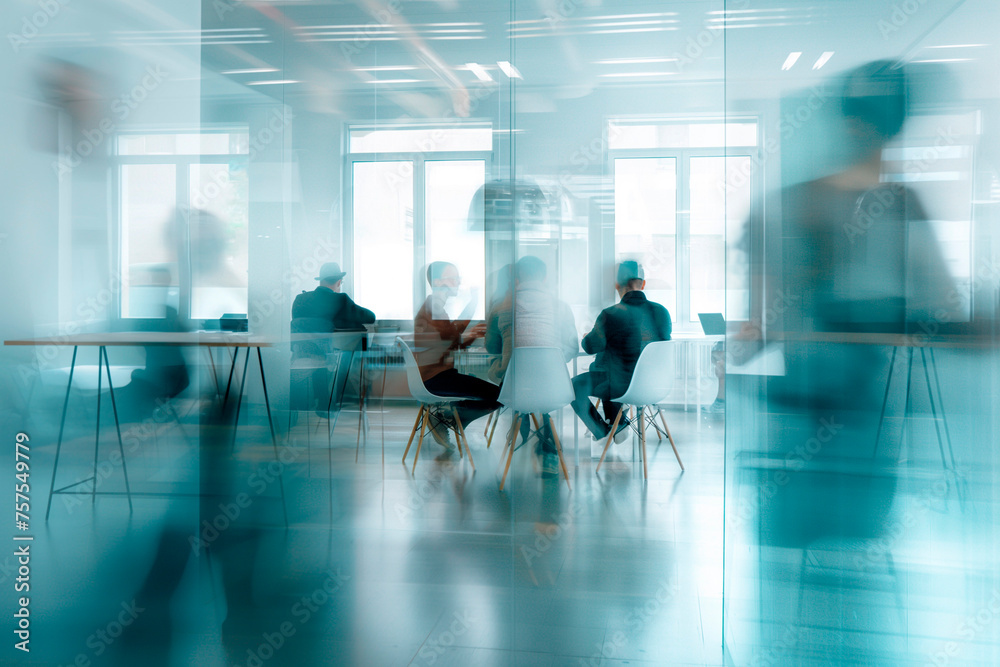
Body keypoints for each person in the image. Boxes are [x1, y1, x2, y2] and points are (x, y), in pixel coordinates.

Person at [485, 255, 578, 476]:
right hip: (552, 387)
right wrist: (550, 360)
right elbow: (573, 347)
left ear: (517, 278)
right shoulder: (561, 306)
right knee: (542, 385)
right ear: (545, 278)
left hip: (514, 387)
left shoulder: (501, 307)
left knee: (502, 368)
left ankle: (524, 419)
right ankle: (547, 446)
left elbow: (491, 347)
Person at [571, 260, 672, 442]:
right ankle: (617, 422)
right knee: (611, 361)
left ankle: (604, 430)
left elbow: (590, 347)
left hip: (621, 386)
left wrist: (590, 335)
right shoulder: (662, 312)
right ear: (643, 284)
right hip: (655, 385)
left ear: (617, 286)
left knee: (572, 387)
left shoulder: (611, 314)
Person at [414, 261, 500, 457]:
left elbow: (449, 335)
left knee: (495, 393)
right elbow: (453, 339)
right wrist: (470, 334)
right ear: (437, 282)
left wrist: (468, 332)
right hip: (436, 378)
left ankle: (449, 417)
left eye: (458, 278)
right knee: (500, 395)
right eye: (453, 278)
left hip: (436, 375)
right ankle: (447, 417)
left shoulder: (434, 307)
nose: (457, 283)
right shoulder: (433, 308)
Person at [290, 262, 375, 412]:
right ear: (339, 282)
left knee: (331, 352)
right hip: (327, 356)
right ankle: (338, 399)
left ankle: (323, 399)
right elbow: (370, 317)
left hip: (299, 357)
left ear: (320, 280)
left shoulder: (300, 300)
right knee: (350, 351)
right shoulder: (339, 300)